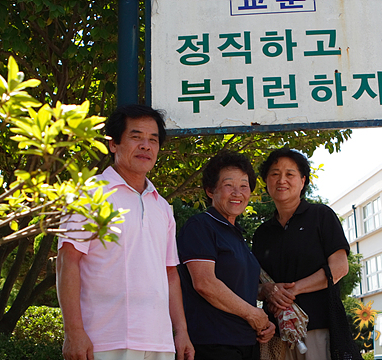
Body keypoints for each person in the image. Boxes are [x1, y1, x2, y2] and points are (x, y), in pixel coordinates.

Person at [56, 104, 194, 360]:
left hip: (159, 343)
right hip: (104, 340)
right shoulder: (89, 194)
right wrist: (73, 331)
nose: (146, 146)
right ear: (113, 144)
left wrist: (181, 331)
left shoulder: (162, 206)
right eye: (136, 136)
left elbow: (170, 274)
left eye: (153, 140)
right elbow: (68, 262)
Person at [252, 147, 350, 360]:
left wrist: (293, 290)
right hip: (275, 335)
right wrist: (268, 290)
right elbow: (253, 284)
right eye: (275, 174)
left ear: (303, 180)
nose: (282, 180)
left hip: (317, 330)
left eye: (290, 174)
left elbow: (340, 267)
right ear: (266, 181)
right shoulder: (262, 233)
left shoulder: (321, 216)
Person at [177, 151, 276, 360]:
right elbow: (204, 283)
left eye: (244, 185)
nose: (237, 192)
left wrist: (263, 321)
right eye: (229, 185)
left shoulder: (235, 234)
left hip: (245, 343)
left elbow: (235, 285)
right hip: (213, 344)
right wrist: (253, 314)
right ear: (211, 190)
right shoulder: (201, 226)